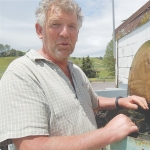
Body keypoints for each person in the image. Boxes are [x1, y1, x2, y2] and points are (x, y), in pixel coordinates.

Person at [0, 0, 149, 149]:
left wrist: (120, 101)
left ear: (77, 34)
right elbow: (30, 147)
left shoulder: (76, 71)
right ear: (40, 30)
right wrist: (109, 133)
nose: (65, 33)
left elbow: (93, 102)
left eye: (71, 26)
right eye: (55, 24)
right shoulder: (22, 73)